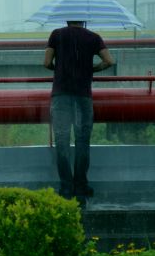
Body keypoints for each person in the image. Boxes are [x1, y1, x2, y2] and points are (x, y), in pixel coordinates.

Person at [43, 20, 115, 200]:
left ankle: (66, 187)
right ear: (84, 20)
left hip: (61, 96)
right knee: (82, 141)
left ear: (66, 19)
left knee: (62, 141)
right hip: (83, 96)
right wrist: (92, 69)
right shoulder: (93, 37)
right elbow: (109, 61)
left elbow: (46, 63)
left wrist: (58, 68)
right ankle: (81, 186)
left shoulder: (56, 34)